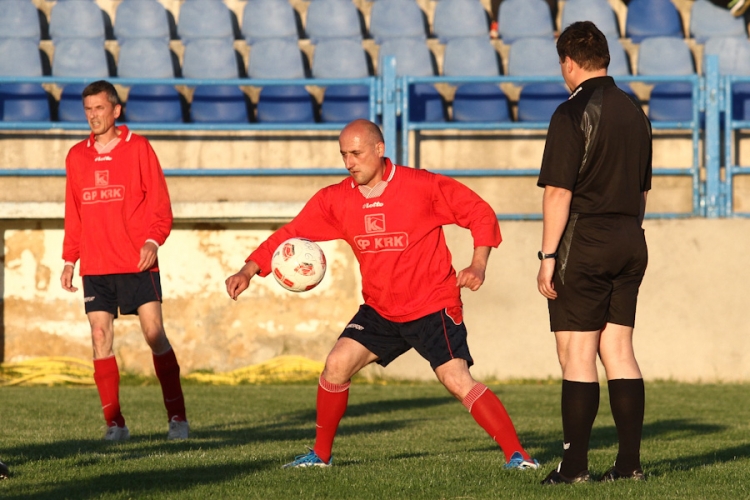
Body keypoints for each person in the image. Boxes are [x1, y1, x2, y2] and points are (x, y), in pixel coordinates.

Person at [225, 119, 539, 470]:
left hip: (431, 305)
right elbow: (291, 233)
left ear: (379, 149)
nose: (349, 162)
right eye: (343, 154)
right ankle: (320, 457)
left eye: (356, 153)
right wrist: (249, 269)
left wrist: (478, 264)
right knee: (336, 365)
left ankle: (519, 456)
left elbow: (479, 212)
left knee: (455, 379)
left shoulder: (422, 186)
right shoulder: (336, 199)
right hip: (381, 309)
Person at [535, 21, 651, 485]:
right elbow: (644, 190)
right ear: (605, 57)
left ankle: (574, 467)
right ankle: (628, 467)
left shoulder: (570, 112)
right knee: (619, 348)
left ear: (567, 61)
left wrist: (546, 256)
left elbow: (558, 194)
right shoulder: (635, 111)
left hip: (584, 242)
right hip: (630, 238)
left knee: (576, 352)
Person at [60, 80, 188, 441]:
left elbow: (161, 206)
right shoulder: (76, 156)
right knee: (100, 336)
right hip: (96, 265)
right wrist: (70, 259)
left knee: (153, 334)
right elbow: (75, 212)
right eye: (88, 110)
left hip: (136, 262)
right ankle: (115, 424)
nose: (93, 116)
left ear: (116, 110)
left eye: (99, 108)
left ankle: (177, 417)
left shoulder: (140, 149)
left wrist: (152, 240)